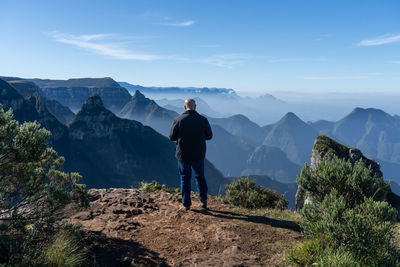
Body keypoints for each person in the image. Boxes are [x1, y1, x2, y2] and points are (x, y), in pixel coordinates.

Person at [169, 98, 213, 211]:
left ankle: (186, 204)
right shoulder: (203, 120)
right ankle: (203, 201)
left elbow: (172, 137)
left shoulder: (178, 120)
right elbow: (209, 136)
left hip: (183, 154)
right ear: (195, 107)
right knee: (200, 177)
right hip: (198, 154)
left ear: (184, 107)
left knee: (185, 178)